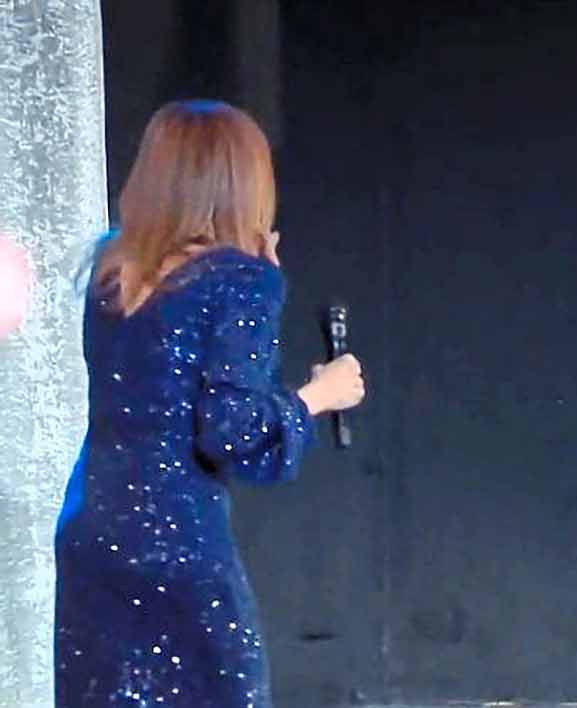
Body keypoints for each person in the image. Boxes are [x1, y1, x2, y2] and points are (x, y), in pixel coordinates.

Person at [53, 100, 365, 706]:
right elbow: (232, 433)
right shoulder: (239, 281)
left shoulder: (110, 269)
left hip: (92, 532)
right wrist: (317, 395)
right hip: (178, 542)